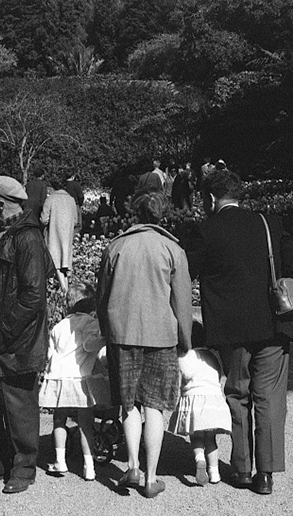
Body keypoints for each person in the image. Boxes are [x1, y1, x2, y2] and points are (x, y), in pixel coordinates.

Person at [188, 168, 293, 495]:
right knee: (269, 398)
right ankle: (266, 473)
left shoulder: (205, 230)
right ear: (239, 195)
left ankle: (241, 469)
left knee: (237, 394)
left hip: (231, 329)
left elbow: (185, 272)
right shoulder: (270, 224)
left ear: (210, 198)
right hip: (274, 324)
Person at [96, 191, 193, 499]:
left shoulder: (117, 246)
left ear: (134, 214)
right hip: (161, 336)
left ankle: (133, 466)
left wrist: (105, 330)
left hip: (123, 334)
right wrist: (186, 341)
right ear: (164, 215)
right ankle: (151, 478)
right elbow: (183, 304)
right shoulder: (172, 249)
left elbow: (102, 297)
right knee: (154, 406)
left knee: (128, 405)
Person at [0, 176, 56, 495]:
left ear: (1, 203)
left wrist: (4, 330)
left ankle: (24, 467)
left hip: (16, 338)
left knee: (19, 404)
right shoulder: (2, 232)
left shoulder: (27, 237)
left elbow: (33, 295)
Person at [39, 281, 110, 482]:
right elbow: (88, 345)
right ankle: (89, 467)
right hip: (79, 378)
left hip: (59, 377)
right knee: (86, 423)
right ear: (93, 305)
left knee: (59, 419)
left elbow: (50, 353)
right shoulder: (90, 323)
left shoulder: (59, 326)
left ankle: (60, 460)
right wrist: (105, 341)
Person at [167, 323, 232, 486]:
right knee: (211, 439)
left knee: (196, 437)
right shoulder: (212, 357)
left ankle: (199, 460)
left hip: (195, 402)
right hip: (212, 402)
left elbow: (186, 372)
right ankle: (215, 473)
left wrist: (179, 354)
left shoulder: (187, 356)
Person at [41, 177, 78, 292]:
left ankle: (64, 288)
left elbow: (43, 219)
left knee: (55, 259)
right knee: (64, 260)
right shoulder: (71, 200)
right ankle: (65, 286)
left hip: (54, 232)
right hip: (67, 233)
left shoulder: (51, 199)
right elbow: (76, 220)